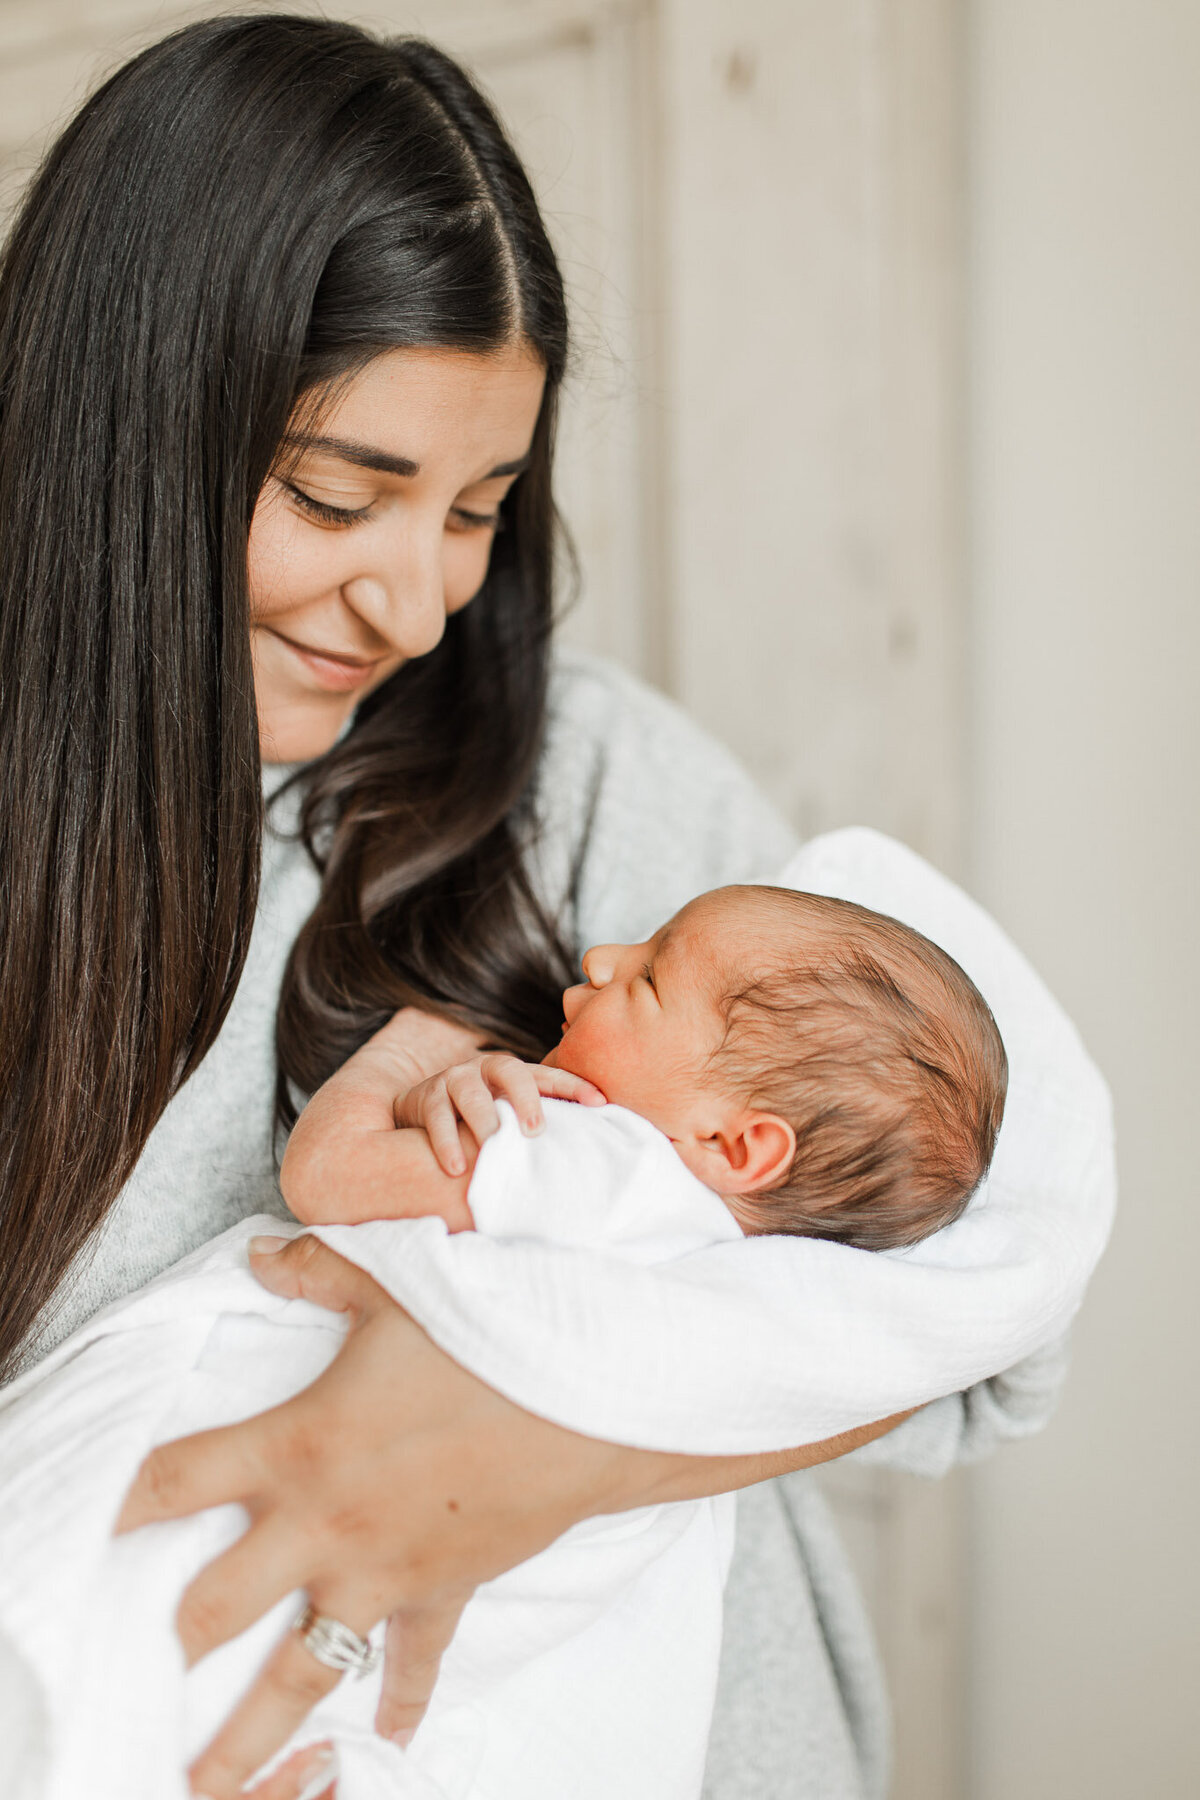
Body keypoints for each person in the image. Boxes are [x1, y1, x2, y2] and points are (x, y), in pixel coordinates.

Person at [0, 15, 1113, 1800]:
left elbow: (990, 1288)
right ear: (120, 429)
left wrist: (535, 1442)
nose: (420, 604)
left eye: (480, 512)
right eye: (338, 494)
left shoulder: (587, 777)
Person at [0, 868, 1011, 1800]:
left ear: (735, 1144)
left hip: (275, 1493)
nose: (602, 960)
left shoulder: (601, 1159)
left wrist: (417, 1053)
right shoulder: (748, 1286)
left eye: (652, 979)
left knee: (101, 1654)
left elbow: (331, 1178)